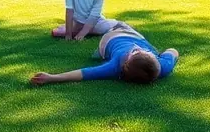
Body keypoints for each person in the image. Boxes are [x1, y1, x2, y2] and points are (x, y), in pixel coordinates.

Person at [31, 22, 179, 85]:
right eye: (148, 53)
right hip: (133, 35)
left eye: (135, 51)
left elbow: (84, 73)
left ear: (126, 61)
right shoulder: (163, 67)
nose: (137, 49)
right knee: (120, 26)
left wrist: (52, 78)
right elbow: (173, 51)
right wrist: (167, 54)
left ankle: (91, 26)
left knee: (111, 27)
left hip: (109, 38)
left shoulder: (114, 66)